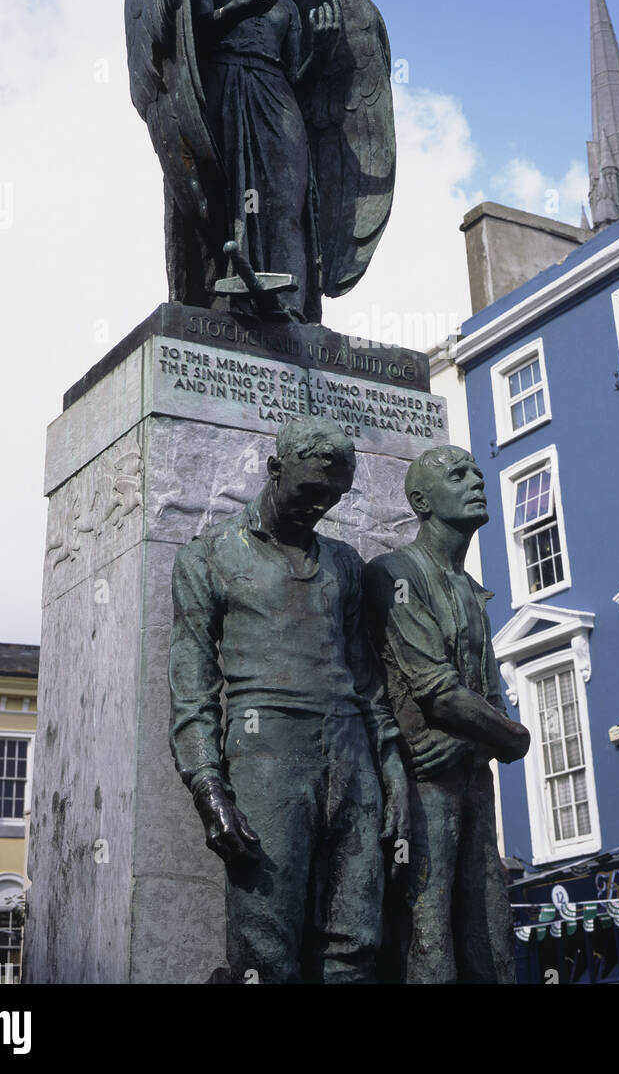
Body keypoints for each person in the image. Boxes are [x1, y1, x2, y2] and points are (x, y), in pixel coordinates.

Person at [168, 416, 408, 984]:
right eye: (308, 491)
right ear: (274, 471)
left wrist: (392, 772)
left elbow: (368, 682)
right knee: (265, 952)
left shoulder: (344, 563)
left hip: (352, 760)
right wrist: (208, 788)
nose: (319, 506)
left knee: (355, 945)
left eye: (333, 497)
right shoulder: (207, 557)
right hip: (266, 758)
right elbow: (192, 689)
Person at [364, 445, 531, 984]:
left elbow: (489, 705)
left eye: (478, 473)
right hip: (419, 784)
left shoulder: (470, 588)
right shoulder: (394, 573)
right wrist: (507, 737)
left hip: (468, 776)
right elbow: (438, 692)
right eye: (459, 476)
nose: (476, 482)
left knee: (489, 921)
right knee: (427, 923)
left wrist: (489, 739)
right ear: (420, 501)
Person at [191, 0, 339, 321]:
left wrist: (323, 52)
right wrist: (233, 11)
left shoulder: (286, 5)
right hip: (224, 87)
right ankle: (231, 297)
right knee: (230, 195)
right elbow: (191, 40)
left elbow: (298, 77)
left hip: (277, 96)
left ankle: (289, 305)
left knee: (286, 197)